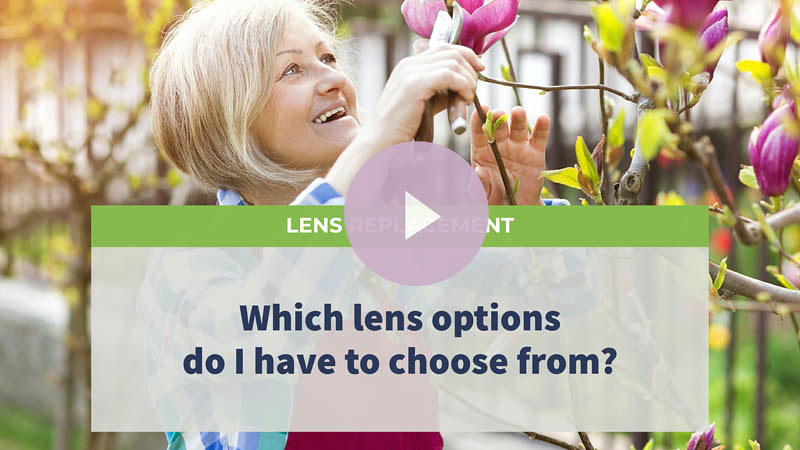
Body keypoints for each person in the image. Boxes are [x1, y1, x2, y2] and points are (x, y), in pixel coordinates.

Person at [147, 0, 555, 448]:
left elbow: (549, 308)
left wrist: (519, 219)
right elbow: (261, 335)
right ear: (226, 123)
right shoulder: (190, 264)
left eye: (328, 58)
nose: (334, 79)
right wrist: (375, 143)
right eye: (291, 70)